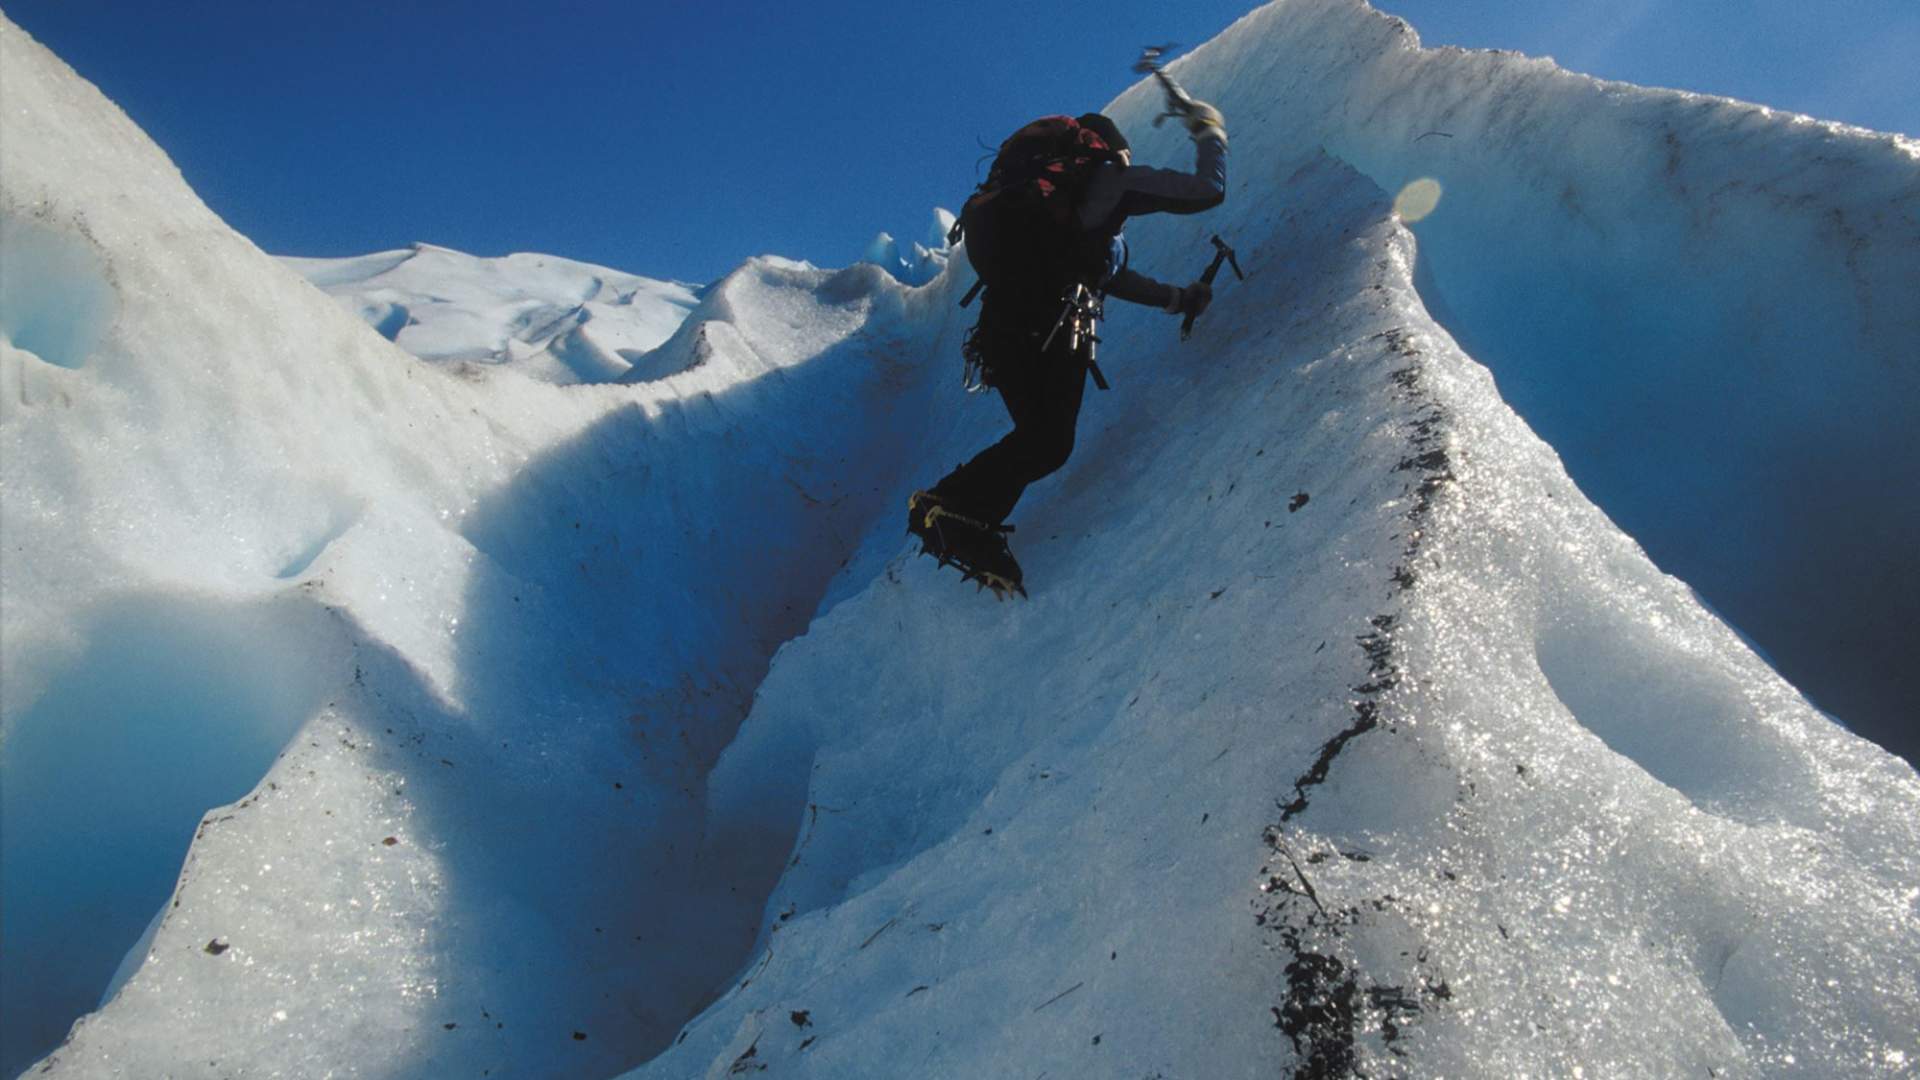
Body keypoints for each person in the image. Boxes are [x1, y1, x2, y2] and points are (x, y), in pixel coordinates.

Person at [908, 104, 1229, 597]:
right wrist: (1210, 132)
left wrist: (1180, 299)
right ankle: (951, 505)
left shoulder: (1059, 221)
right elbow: (1208, 190)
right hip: (1054, 327)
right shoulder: (1109, 179)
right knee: (1047, 443)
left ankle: (959, 515)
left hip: (1001, 334)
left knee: (1040, 440)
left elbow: (1113, 277)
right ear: (1106, 150)